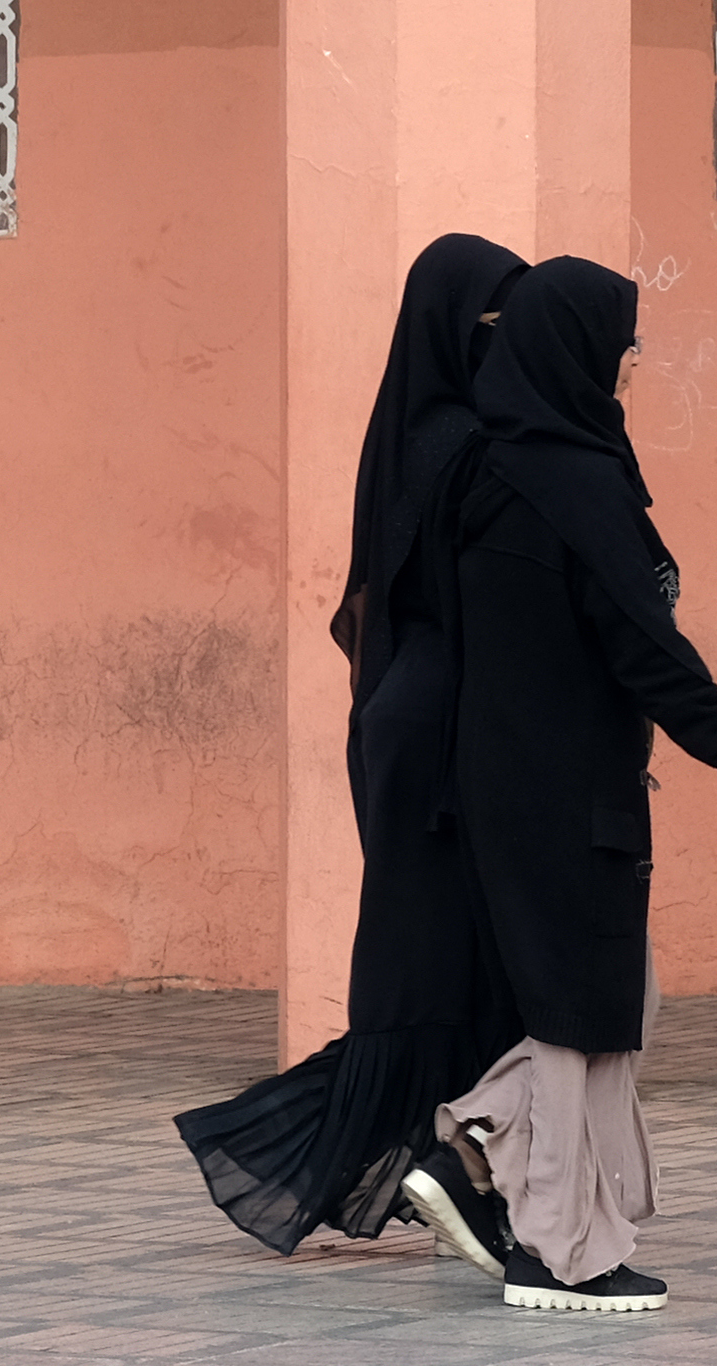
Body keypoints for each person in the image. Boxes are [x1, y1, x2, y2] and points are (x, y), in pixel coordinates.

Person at [429, 253, 717, 1315]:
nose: (631, 365)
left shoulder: (498, 469)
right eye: (622, 345)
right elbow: (644, 647)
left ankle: (489, 1130)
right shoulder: (570, 484)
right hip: (562, 788)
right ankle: (558, 1250)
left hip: (516, 776)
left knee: (600, 995)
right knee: (576, 1008)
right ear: (578, 353)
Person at [174, 232, 535, 1258]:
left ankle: (467, 1169)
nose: (510, 347)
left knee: (445, 959)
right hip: (437, 733)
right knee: (443, 963)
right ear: (455, 332)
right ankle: (417, 1157)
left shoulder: (426, 432)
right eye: (496, 327)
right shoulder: (461, 445)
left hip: (420, 720)